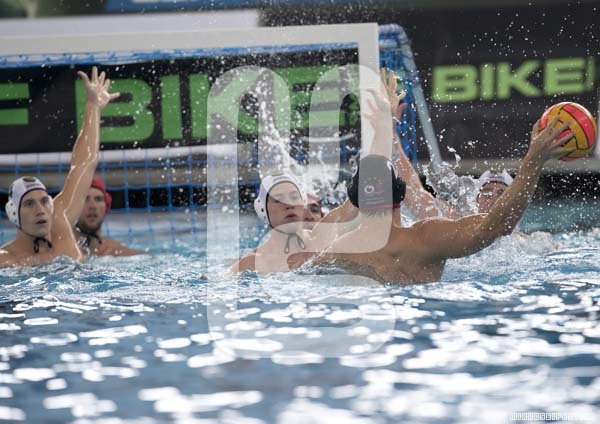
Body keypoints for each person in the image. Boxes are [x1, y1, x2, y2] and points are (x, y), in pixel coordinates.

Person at [303, 83, 574, 284]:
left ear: (356, 201)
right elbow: (498, 225)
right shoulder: (426, 239)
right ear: (400, 195)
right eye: (488, 191)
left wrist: (385, 130)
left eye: (500, 192)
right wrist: (534, 159)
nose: (493, 198)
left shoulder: (336, 253)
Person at [0, 67, 119, 267]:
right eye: (29, 204)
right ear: (13, 214)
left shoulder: (60, 218)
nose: (40, 210)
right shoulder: (6, 260)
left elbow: (84, 162)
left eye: (44, 201)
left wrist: (93, 106)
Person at [231, 172, 311, 272]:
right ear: (262, 210)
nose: (289, 204)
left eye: (294, 197)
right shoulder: (253, 263)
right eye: (277, 200)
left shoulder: (319, 241)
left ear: (304, 202)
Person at [74, 176, 141, 256]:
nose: (93, 206)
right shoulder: (62, 249)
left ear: (106, 207)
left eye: (98, 199)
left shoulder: (117, 251)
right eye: (85, 199)